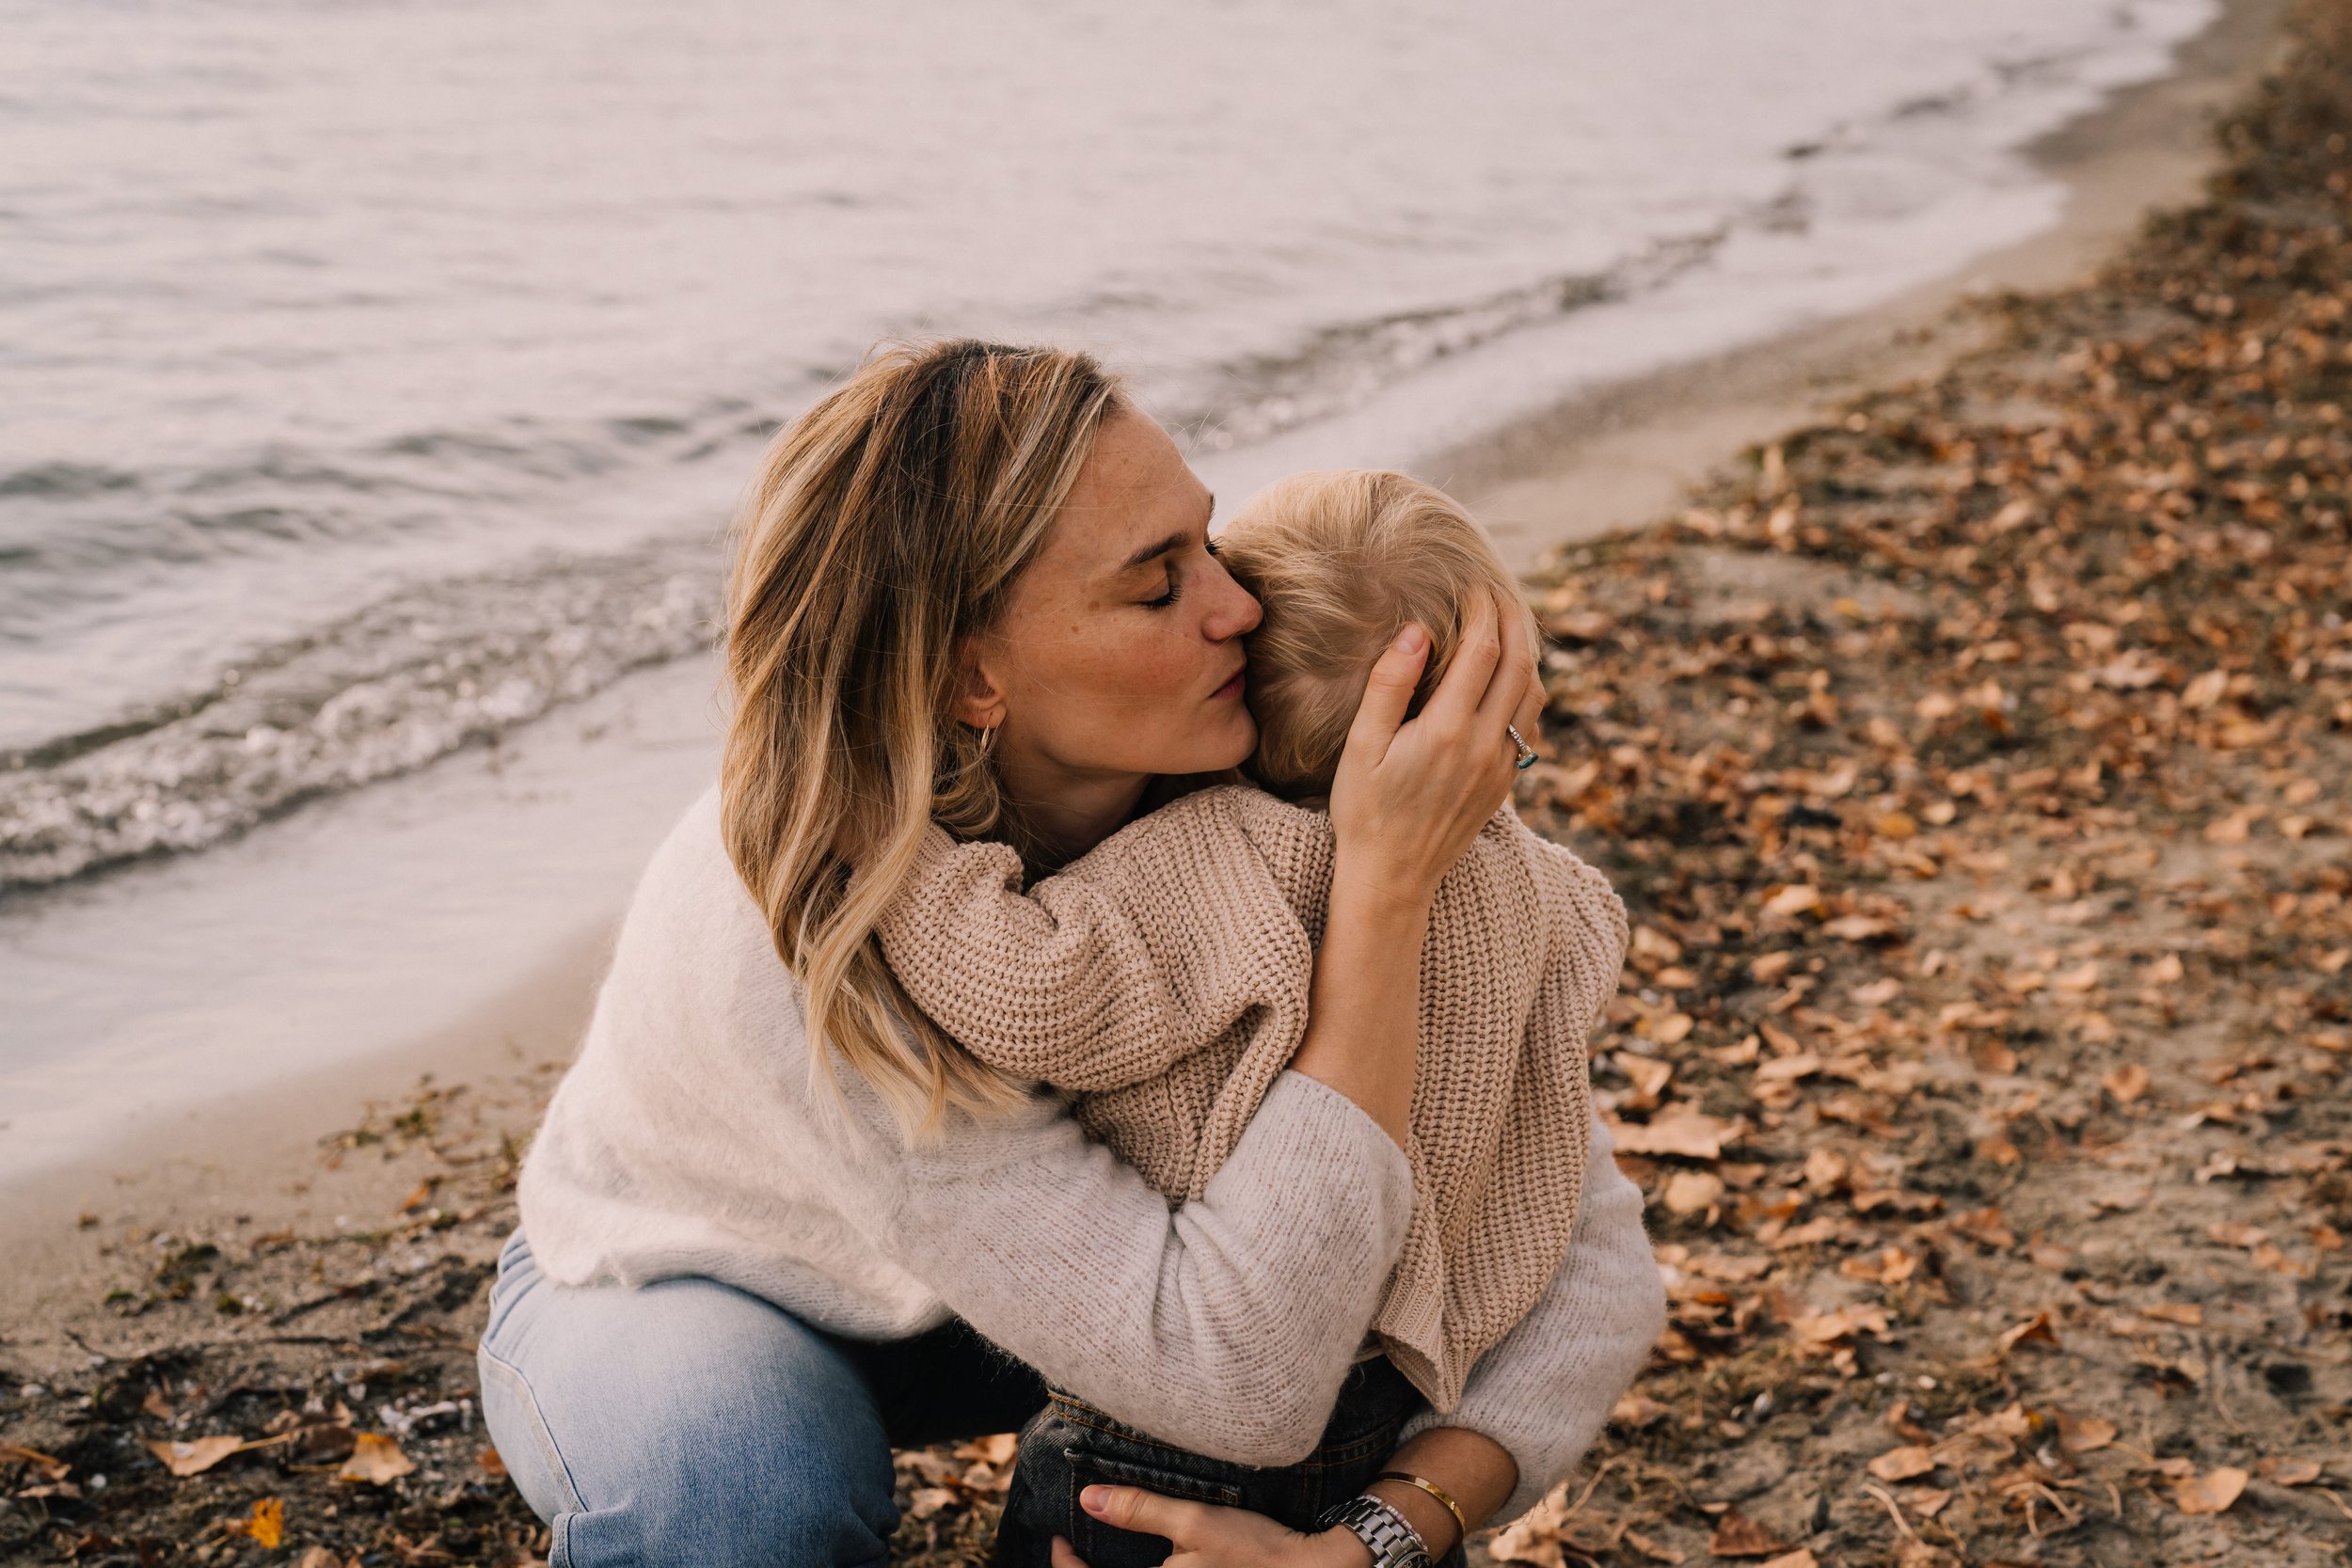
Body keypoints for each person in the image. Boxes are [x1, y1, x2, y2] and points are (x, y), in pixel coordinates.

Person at [477, 340, 1664, 1568]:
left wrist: (1383, 1533)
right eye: (1159, 586)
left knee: (1343, 1325)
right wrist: (1379, 903)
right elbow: (1241, 1380)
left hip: (1072, 1295)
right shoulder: (810, 930)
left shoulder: (1237, 781)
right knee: (734, 1508)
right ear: (970, 672)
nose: (1238, 608)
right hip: (712, 1274)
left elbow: (1576, 1254)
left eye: (1210, 540)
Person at [867, 467, 1632, 1560]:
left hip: (1159, 1452)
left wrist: (898, 851)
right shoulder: (1556, 892)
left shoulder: (1228, 856)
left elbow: (1030, 989)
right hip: (1390, 1420)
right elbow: (1547, 1132)